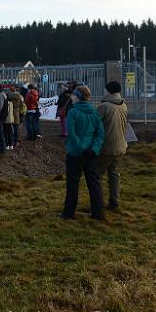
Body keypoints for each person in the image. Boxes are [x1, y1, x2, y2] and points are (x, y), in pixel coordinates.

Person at [59, 85, 105, 221]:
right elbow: (100, 133)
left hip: (75, 153)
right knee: (94, 183)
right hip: (91, 154)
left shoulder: (73, 112)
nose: (71, 97)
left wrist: (80, 148)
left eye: (73, 95)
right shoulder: (94, 112)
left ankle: (69, 213)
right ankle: (98, 212)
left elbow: (71, 133)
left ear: (78, 97)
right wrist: (94, 148)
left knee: (73, 183)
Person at [97, 81, 129, 211]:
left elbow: (94, 125)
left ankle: (97, 203)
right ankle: (114, 202)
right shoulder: (123, 105)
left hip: (106, 147)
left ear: (108, 91)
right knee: (114, 174)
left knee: (96, 175)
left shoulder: (104, 107)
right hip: (121, 146)